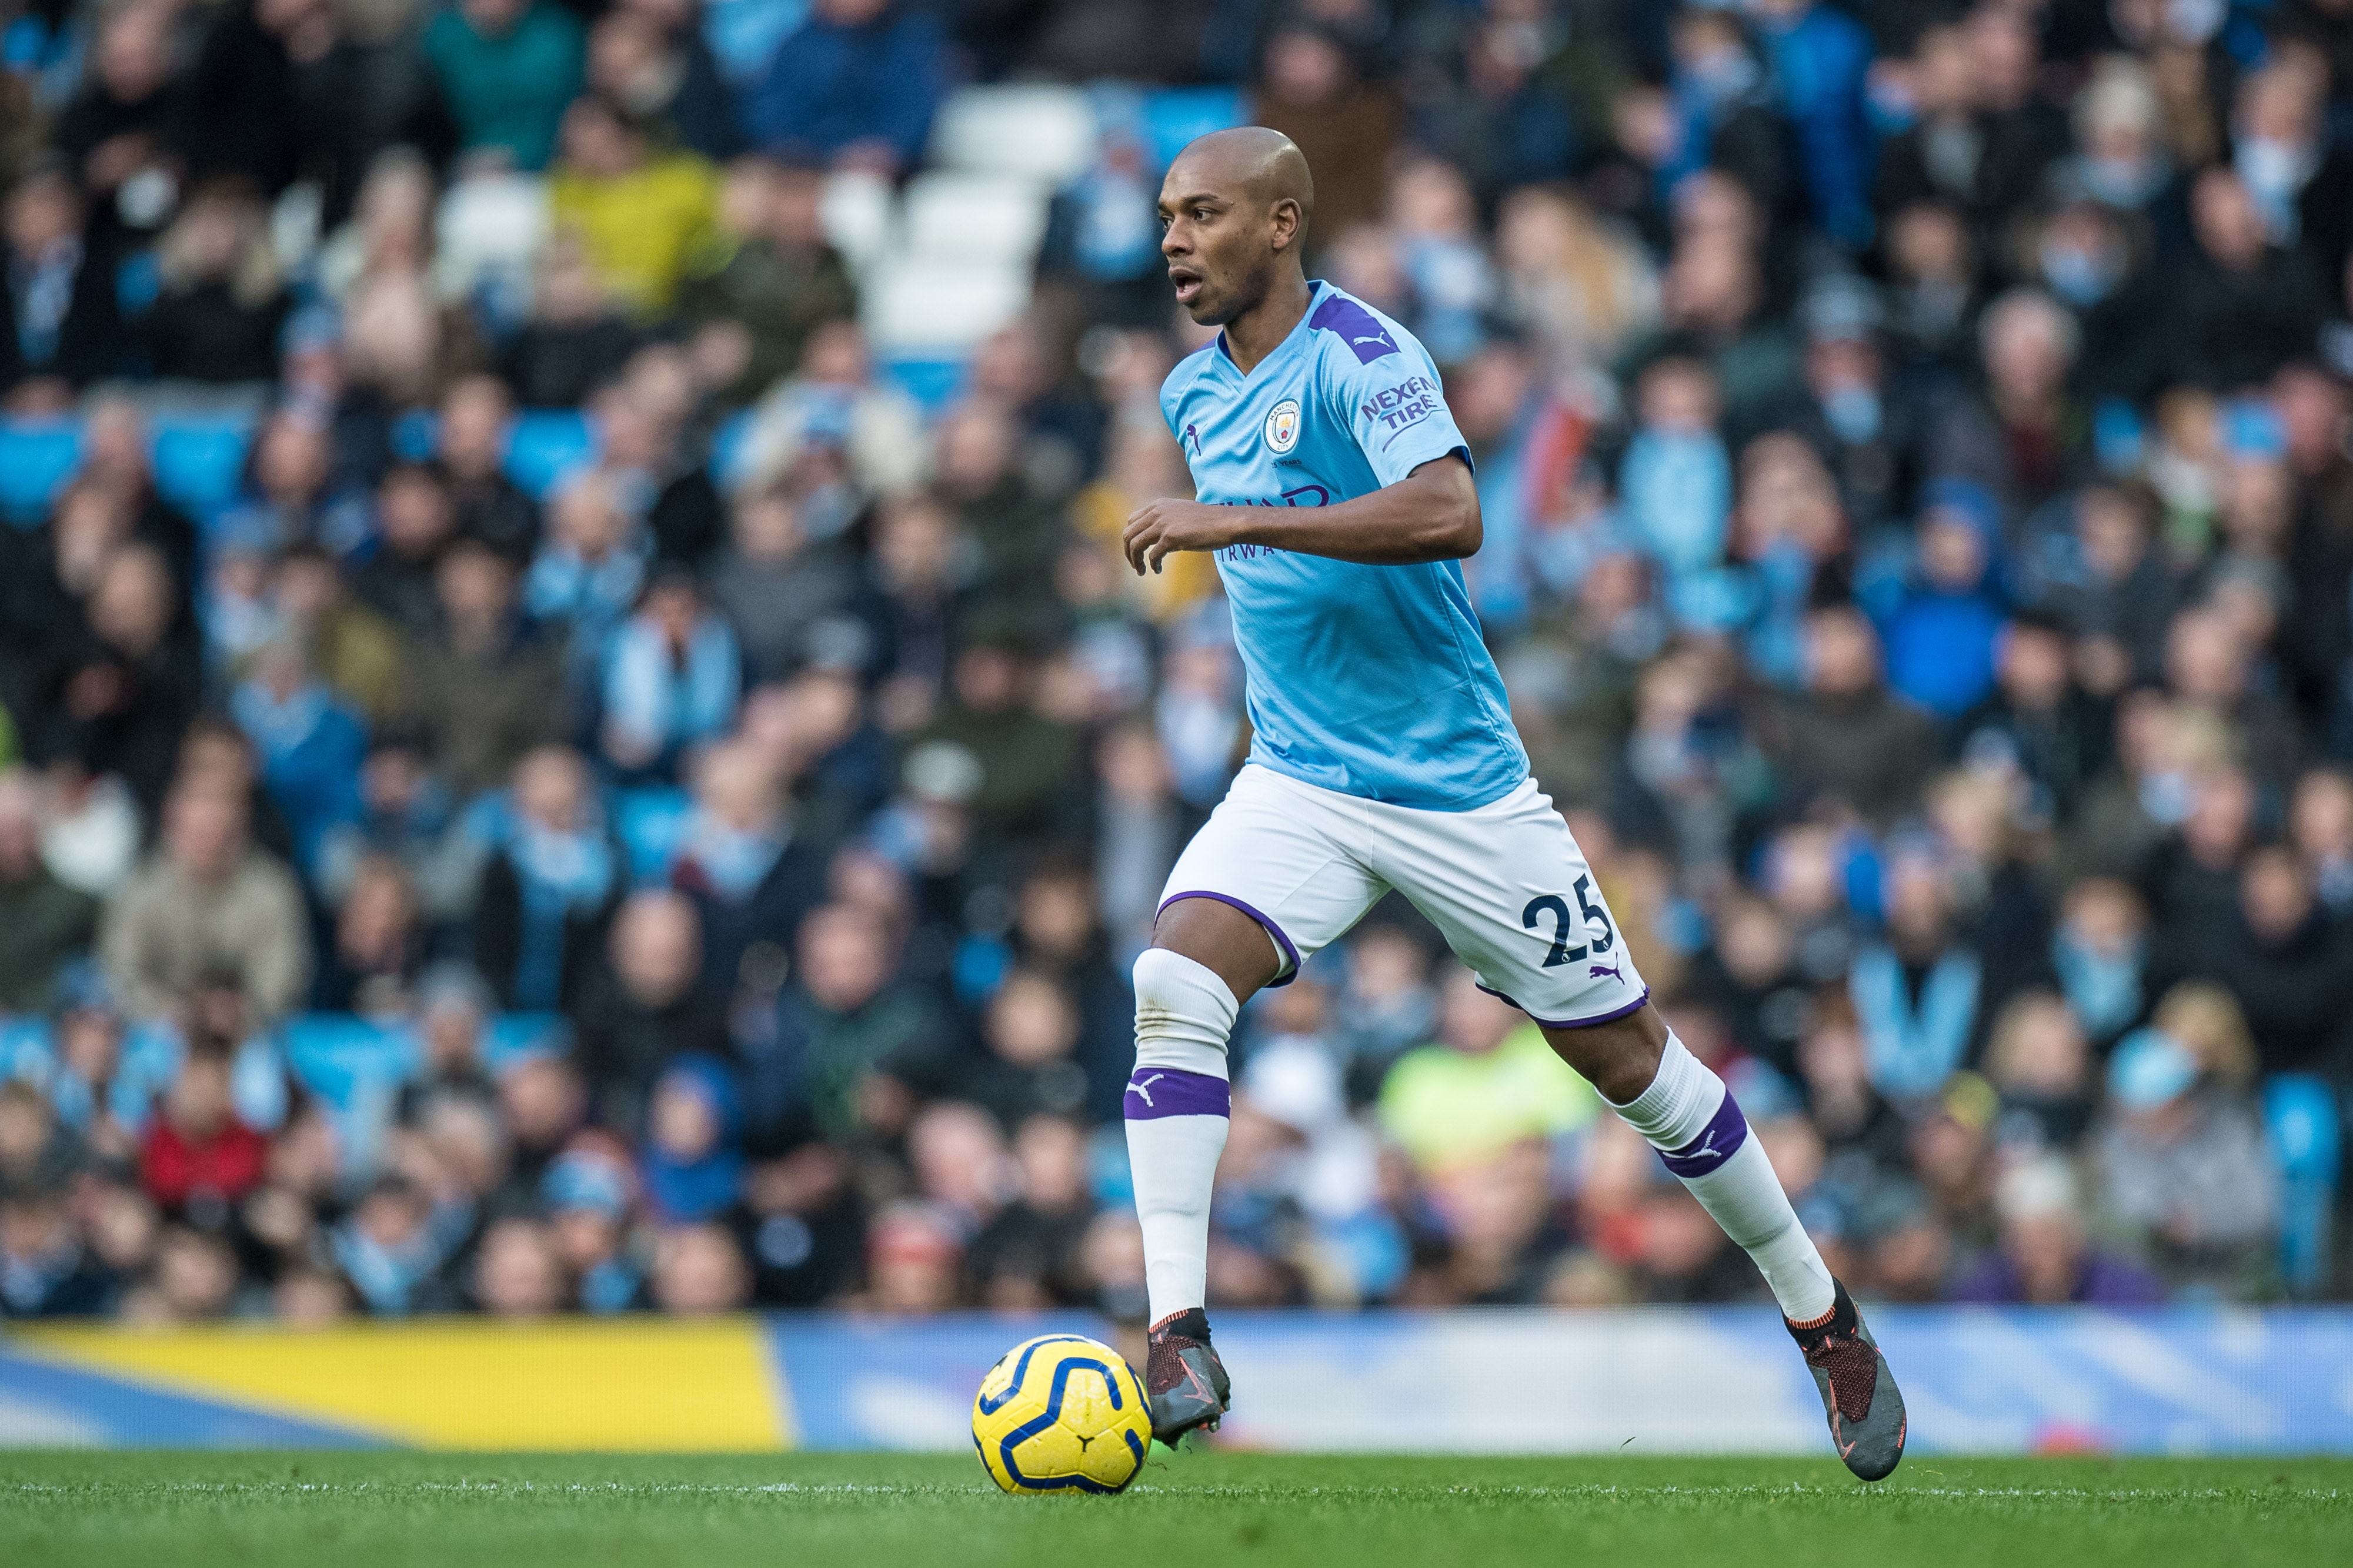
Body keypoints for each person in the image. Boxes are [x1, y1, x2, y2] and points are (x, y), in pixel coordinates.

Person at [1115, 128, 1904, 1479]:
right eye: (1166, 217)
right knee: (1174, 977)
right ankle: (1175, 1329)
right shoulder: (1195, 391)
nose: (1177, 240)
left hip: (1463, 796)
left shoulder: (1369, 358)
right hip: (1299, 777)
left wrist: (1224, 520)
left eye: (1205, 214)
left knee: (1636, 1072)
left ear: (1286, 222)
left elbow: (1450, 512)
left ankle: (1826, 1320)